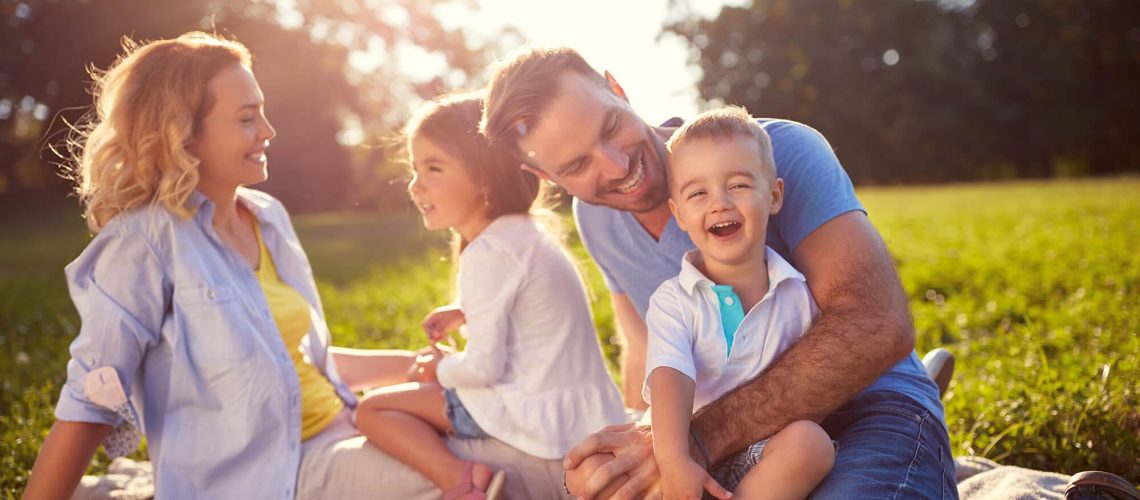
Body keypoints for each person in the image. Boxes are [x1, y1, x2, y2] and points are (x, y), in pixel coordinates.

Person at [21, 33, 569, 500]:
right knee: (502, 477)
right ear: (183, 133)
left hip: (346, 426)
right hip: (278, 475)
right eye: (246, 117)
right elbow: (91, 401)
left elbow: (298, 361)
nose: (268, 131)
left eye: (261, 111)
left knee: (509, 439)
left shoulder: (266, 217)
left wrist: (418, 365)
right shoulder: (142, 245)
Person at [480, 46, 955, 498]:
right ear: (547, 178)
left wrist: (696, 441)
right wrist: (637, 453)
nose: (618, 165)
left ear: (616, 87)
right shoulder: (596, 219)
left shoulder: (775, 151)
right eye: (578, 164)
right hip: (728, 442)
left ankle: (925, 400)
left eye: (610, 127)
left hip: (864, 407)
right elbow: (646, 353)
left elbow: (875, 325)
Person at [352, 92, 626, 499]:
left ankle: (461, 480)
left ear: (483, 177)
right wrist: (465, 311)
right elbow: (532, 309)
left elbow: (483, 369)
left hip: (530, 412)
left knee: (372, 409)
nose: (415, 185)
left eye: (433, 168)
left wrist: (439, 370)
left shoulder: (488, 252)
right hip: (584, 409)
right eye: (414, 169)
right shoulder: (526, 233)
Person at [645, 107, 835, 500]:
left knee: (811, 444)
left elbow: (813, 387)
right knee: (590, 477)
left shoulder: (796, 292)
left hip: (761, 456)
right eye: (698, 193)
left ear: (774, 196)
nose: (719, 204)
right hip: (684, 448)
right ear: (679, 214)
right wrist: (675, 459)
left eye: (738, 185)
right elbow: (670, 379)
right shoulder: (673, 300)